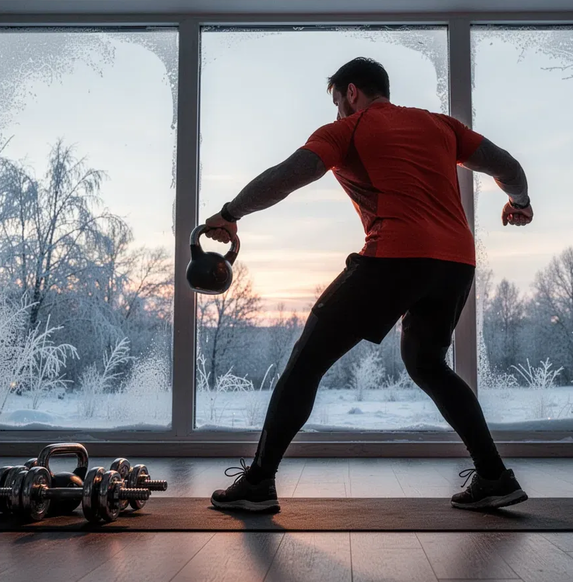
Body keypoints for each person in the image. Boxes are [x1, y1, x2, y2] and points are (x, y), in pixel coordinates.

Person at [203, 57, 533, 512]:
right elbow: (508, 165)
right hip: (456, 261)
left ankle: (259, 482)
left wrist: (230, 213)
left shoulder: (348, 130)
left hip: (395, 254)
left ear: (351, 92)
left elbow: (287, 177)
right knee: (426, 362)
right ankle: (494, 475)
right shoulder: (441, 126)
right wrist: (519, 201)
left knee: (307, 360)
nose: (339, 109)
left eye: (339, 100)